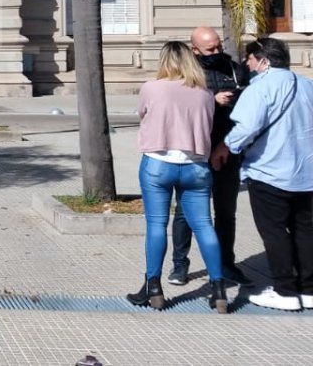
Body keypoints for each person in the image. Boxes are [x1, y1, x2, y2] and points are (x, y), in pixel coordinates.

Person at [126, 41, 226, 313]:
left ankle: (153, 286)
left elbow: (142, 113)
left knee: (157, 225)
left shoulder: (152, 87)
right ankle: (218, 289)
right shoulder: (205, 92)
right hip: (195, 166)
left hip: (158, 163)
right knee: (204, 226)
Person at [218, 38, 313, 312]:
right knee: (305, 230)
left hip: (269, 172)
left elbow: (246, 128)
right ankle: (308, 289)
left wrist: (225, 147)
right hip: (306, 173)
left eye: (250, 58)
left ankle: (284, 291)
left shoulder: (258, 90)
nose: (246, 64)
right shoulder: (307, 85)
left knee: (274, 232)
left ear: (264, 61)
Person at [170, 27, 251, 286]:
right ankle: (179, 265)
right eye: (210, 49)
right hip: (195, 153)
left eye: (218, 47)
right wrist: (211, 101)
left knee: (226, 212)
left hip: (227, 152)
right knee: (185, 211)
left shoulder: (235, 69)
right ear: (194, 49)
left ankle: (226, 263)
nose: (217, 52)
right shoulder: (184, 72)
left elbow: (251, 107)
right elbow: (177, 109)